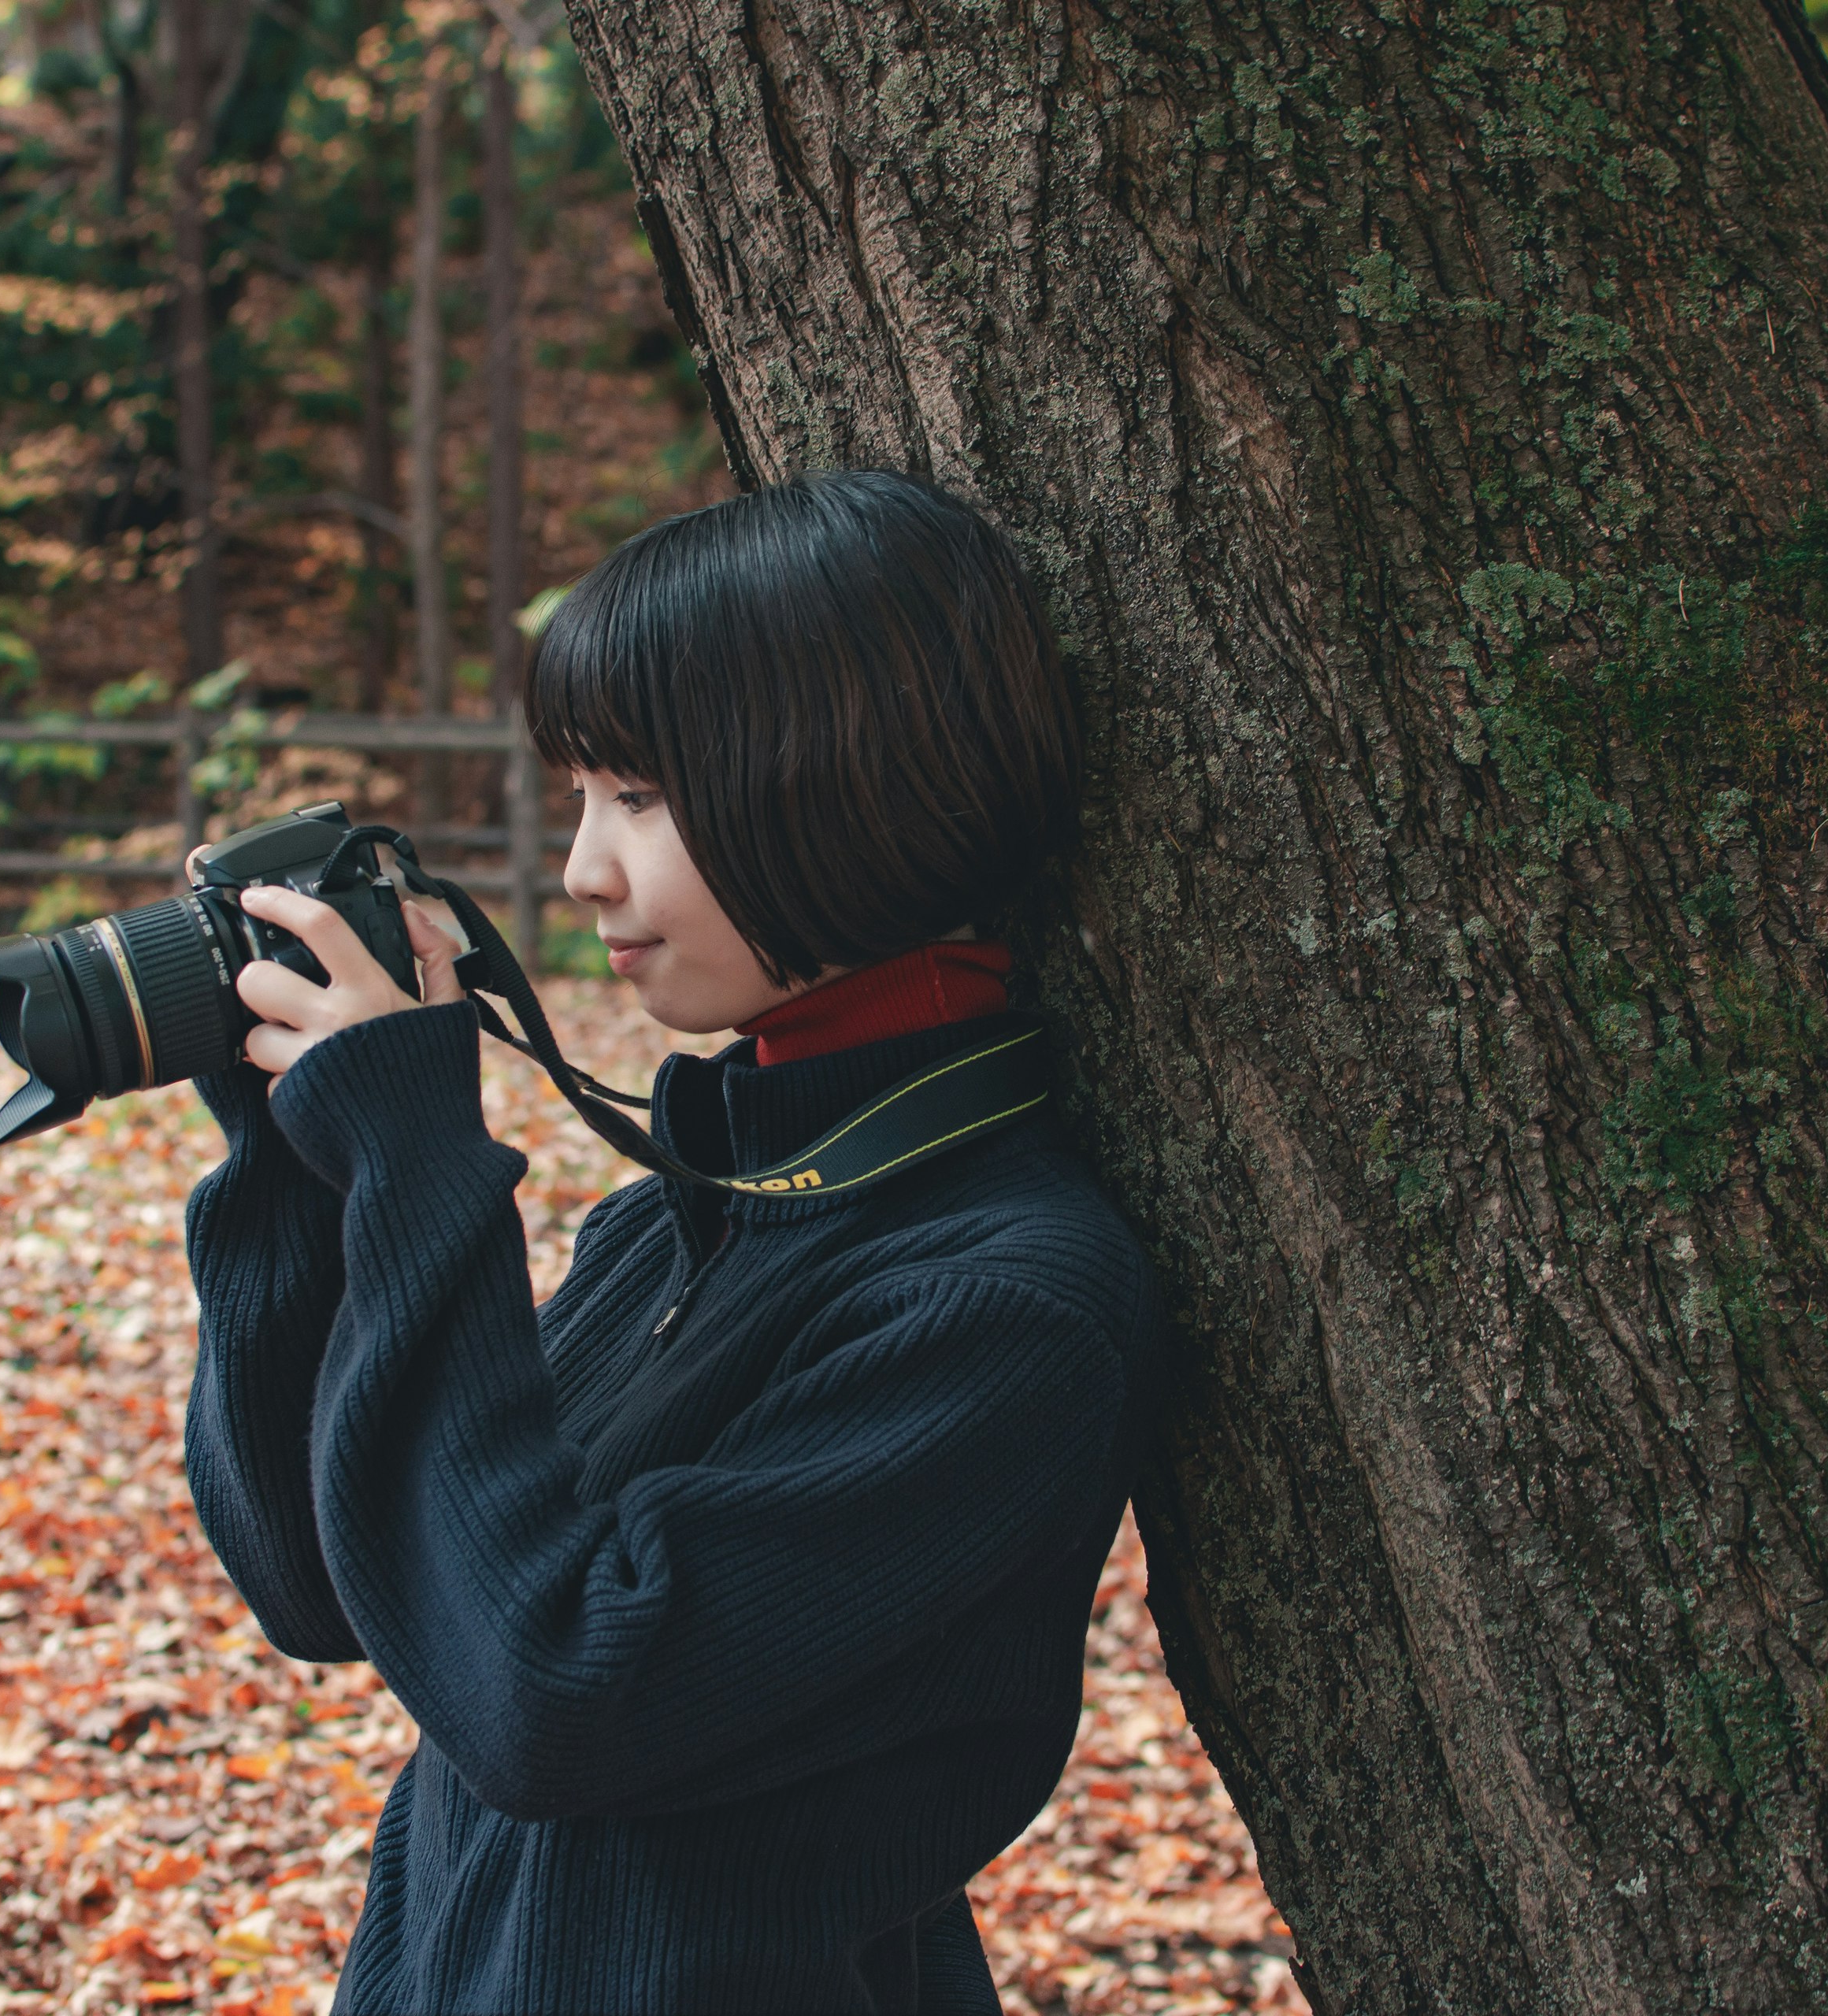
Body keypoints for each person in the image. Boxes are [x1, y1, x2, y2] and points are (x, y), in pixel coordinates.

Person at [177, 469, 1163, 2013]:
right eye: (582, 796)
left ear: (848, 778)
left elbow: (554, 1696)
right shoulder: (689, 1216)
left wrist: (425, 1167)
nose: (584, 868)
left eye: (639, 795)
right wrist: (301, 1163)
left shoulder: (999, 1302)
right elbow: (323, 1578)